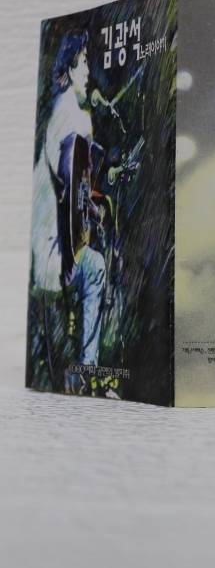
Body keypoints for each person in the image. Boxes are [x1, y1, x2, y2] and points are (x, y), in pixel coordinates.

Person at [31, 30, 106, 391]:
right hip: (55, 257)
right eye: (85, 62)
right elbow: (70, 179)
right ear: (72, 67)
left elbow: (71, 186)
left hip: (49, 248)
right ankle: (85, 370)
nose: (89, 71)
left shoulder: (63, 112)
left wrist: (89, 205)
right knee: (97, 267)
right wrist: (89, 209)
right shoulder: (72, 115)